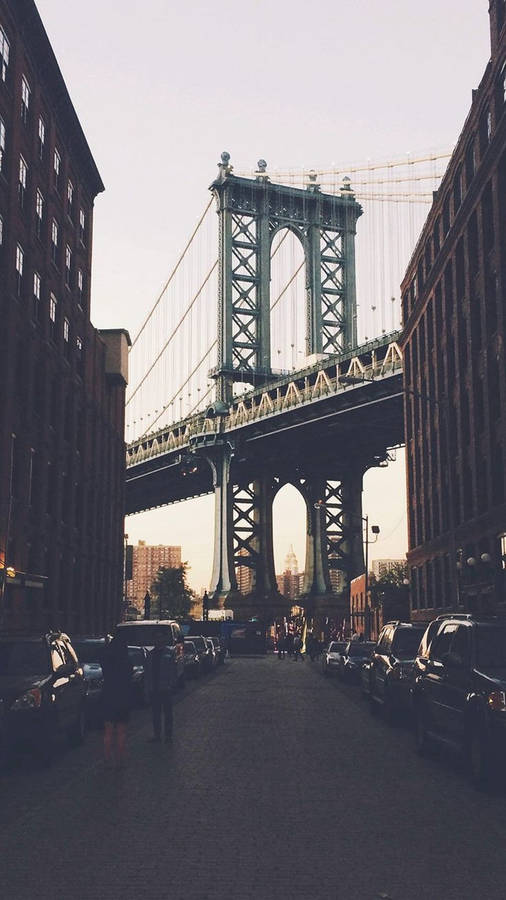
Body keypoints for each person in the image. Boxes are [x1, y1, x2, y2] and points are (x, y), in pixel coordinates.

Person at [100, 630, 133, 768]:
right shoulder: (126, 661)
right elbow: (130, 676)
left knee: (108, 731)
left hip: (108, 696)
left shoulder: (106, 659)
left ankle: (107, 759)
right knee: (121, 731)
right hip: (122, 697)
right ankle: (120, 760)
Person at [145, 630, 175, 743]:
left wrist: (171, 684)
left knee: (168, 714)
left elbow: (173, 670)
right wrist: (147, 688)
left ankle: (168, 735)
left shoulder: (169, 653)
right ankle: (157, 735)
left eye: (160, 638)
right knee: (156, 714)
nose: (158, 640)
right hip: (154, 688)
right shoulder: (151, 654)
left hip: (165, 688)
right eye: (156, 638)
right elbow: (148, 672)